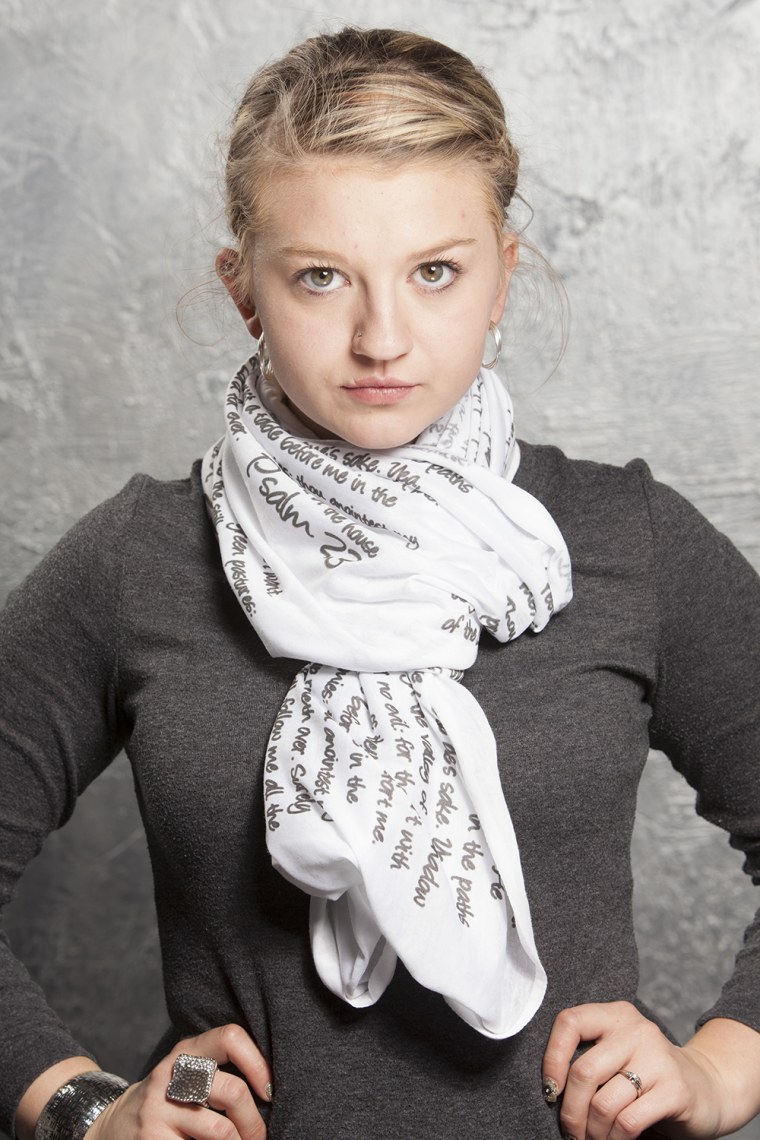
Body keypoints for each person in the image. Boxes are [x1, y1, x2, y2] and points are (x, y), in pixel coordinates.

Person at [2, 23, 760, 1140]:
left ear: (503, 274)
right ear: (243, 291)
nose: (381, 338)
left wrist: (725, 1068)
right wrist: (78, 1106)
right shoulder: (141, 560)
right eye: (320, 277)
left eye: (436, 272)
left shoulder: (625, 539)